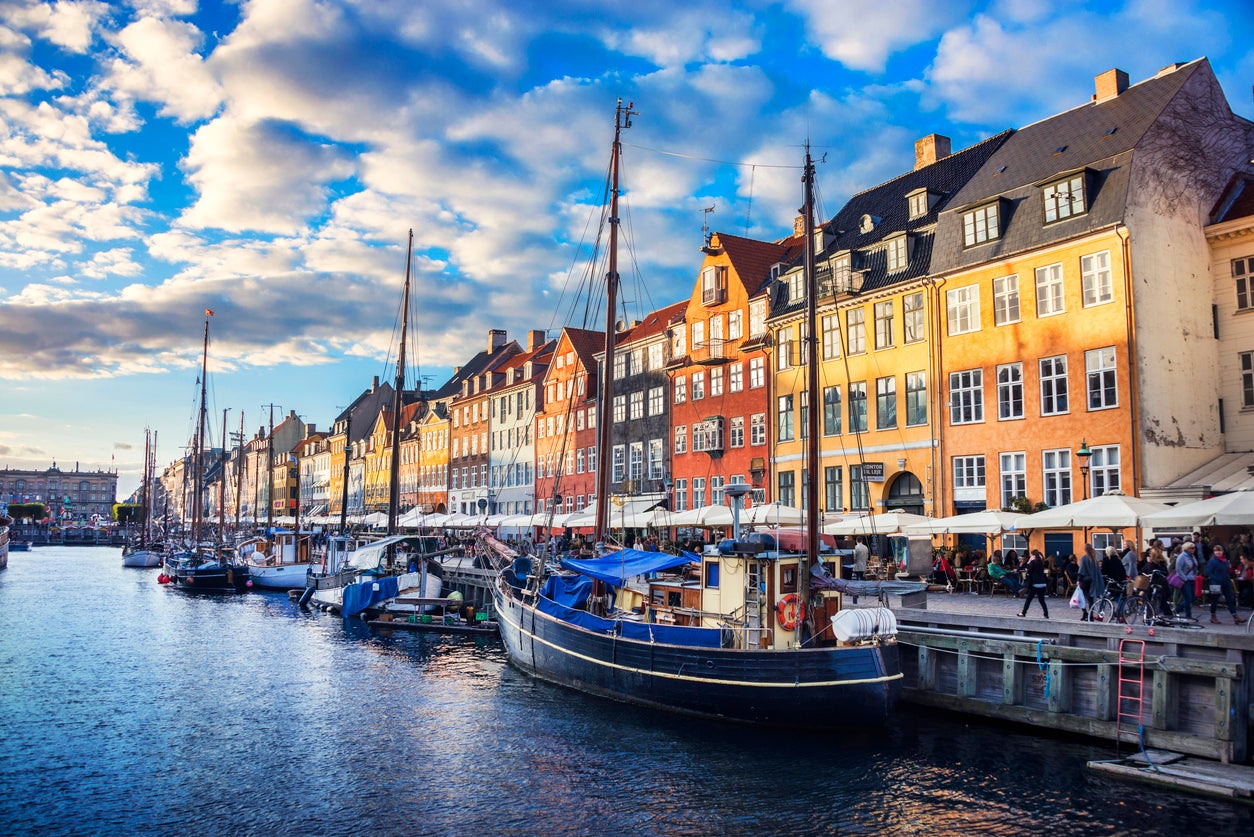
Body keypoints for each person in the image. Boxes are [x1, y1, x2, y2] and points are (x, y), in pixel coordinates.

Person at [1205, 544, 1245, 624]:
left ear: (1222, 552)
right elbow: (1208, 572)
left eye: (1219, 551)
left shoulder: (1225, 561)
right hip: (1215, 583)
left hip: (1226, 582)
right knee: (1214, 600)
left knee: (1230, 599)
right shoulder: (1212, 561)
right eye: (1216, 551)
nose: (1218, 552)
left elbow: (1227, 571)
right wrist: (1216, 579)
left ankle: (1235, 616)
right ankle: (1213, 616)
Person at [1019, 550, 1050, 618]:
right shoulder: (1041, 562)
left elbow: (1029, 571)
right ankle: (1046, 614)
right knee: (1042, 600)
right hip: (1042, 583)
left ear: (1033, 556)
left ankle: (1023, 613)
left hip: (1035, 584)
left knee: (1028, 599)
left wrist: (1028, 563)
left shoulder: (1033, 562)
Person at [1173, 541, 1199, 619]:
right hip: (1185, 580)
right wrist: (1184, 578)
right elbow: (1178, 569)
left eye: (1194, 548)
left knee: (1193, 597)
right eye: (1191, 548)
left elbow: (1195, 566)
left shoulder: (1192, 556)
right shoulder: (1182, 557)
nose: (1193, 549)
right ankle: (1188, 615)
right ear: (1186, 549)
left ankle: (1178, 609)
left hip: (1192, 578)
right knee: (1188, 597)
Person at [1077, 544, 1103, 621]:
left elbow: (1081, 571)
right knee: (1090, 599)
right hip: (1092, 581)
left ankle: (1085, 613)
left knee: (1080, 598)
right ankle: (1091, 615)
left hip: (1084, 581)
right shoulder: (1094, 559)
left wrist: (1078, 580)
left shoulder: (1084, 558)